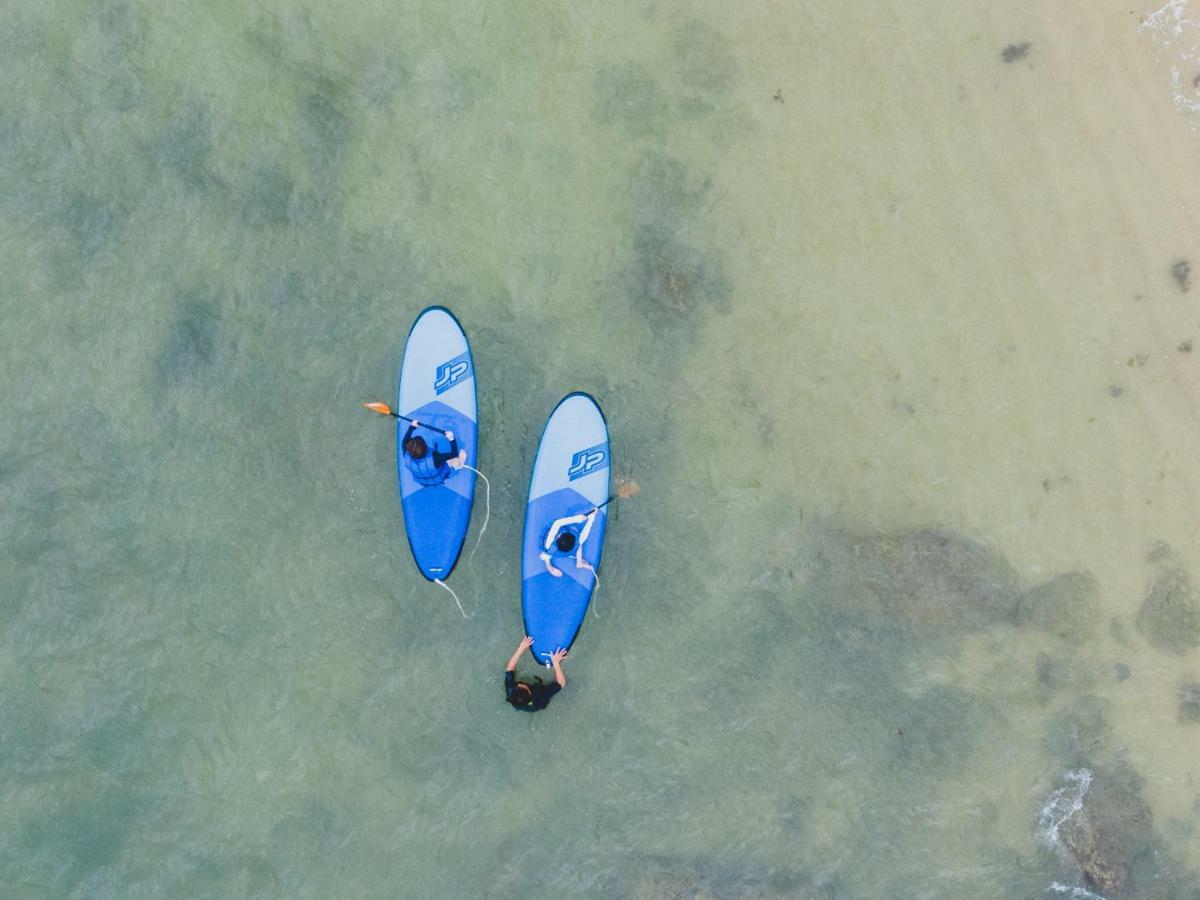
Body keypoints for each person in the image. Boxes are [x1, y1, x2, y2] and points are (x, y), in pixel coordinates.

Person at [504, 636, 567, 711]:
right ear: (529, 692)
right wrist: (556, 663)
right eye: (522, 686)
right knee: (543, 701)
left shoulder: (511, 690)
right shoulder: (539, 697)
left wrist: (521, 648)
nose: (519, 684)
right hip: (537, 703)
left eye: (517, 686)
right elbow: (561, 683)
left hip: (521, 702)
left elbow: (509, 668)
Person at [402, 419, 467, 486]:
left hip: (422, 482)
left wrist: (412, 427)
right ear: (425, 446)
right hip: (438, 479)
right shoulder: (435, 457)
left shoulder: (406, 453)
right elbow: (454, 454)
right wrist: (451, 439)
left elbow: (404, 442)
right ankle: (458, 465)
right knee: (457, 458)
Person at [539, 508, 598, 578]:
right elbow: (557, 523)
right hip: (552, 544)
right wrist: (588, 519)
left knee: (546, 553)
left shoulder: (551, 544)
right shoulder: (550, 543)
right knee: (546, 553)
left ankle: (579, 563)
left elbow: (557, 523)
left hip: (559, 544)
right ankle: (550, 567)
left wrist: (581, 518)